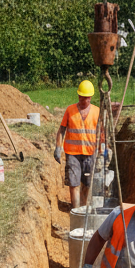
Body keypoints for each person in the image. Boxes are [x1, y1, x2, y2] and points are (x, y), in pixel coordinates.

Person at [54, 80, 106, 210]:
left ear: (90, 97)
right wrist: (58, 147)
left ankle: (84, 208)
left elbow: (101, 132)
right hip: (72, 153)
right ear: (78, 96)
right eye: (82, 98)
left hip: (90, 153)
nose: (84, 101)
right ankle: (76, 210)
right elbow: (61, 130)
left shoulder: (96, 111)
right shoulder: (70, 110)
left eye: (86, 98)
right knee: (73, 182)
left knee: (88, 183)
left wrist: (103, 149)